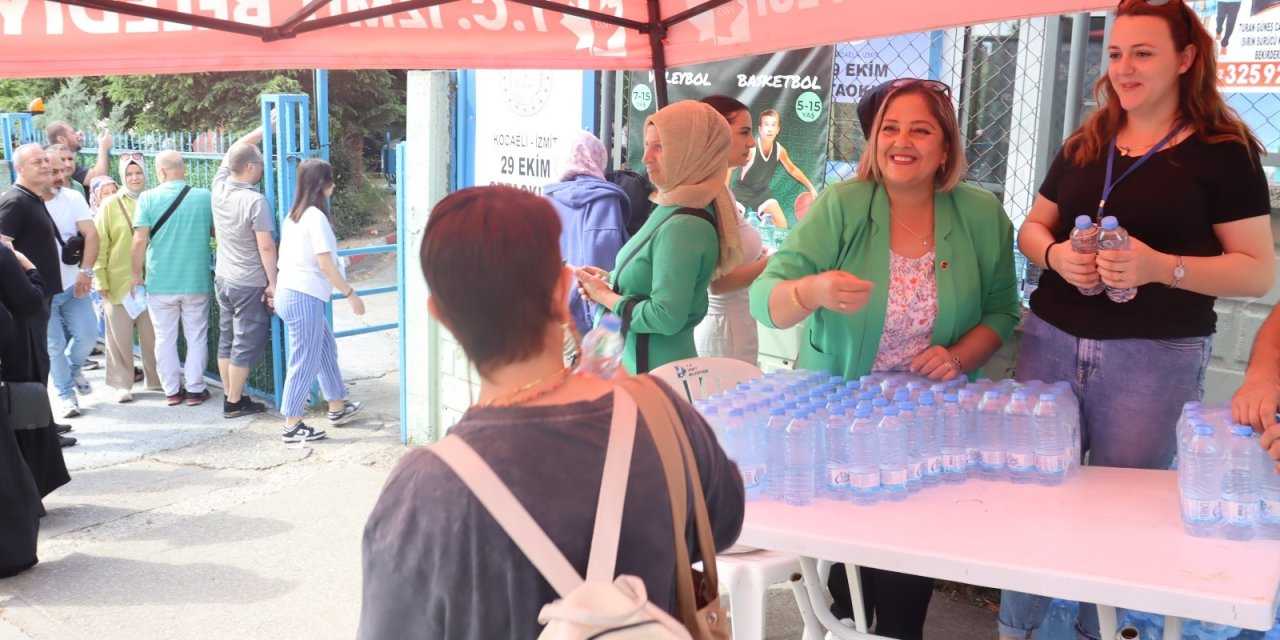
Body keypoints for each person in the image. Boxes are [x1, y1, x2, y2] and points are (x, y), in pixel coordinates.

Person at [999, 1, 1275, 639]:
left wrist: (1161, 267)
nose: (1124, 68)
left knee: (1119, 513)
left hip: (1152, 355)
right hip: (1050, 340)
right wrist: (1055, 254)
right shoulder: (1087, 140)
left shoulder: (1223, 153)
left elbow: (1256, 271)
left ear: (1185, 60)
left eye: (1143, 53)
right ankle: (1017, 630)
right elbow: (1032, 227)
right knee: (1033, 496)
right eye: (1117, 53)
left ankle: (1098, 632)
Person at [357, 185, 744, 639]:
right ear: (563, 292)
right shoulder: (660, 413)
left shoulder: (423, 490)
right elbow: (723, 523)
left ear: (440, 314)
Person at [748, 78, 1020, 639]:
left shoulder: (980, 213)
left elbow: (1001, 312)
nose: (902, 141)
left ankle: (886, 630)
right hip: (843, 411)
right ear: (873, 142)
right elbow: (766, 298)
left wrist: (959, 354)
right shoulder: (842, 204)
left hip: (929, 420)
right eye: (889, 129)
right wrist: (811, 291)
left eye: (921, 129)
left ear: (945, 147)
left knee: (905, 562)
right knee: (855, 560)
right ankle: (849, 624)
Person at [575, 100, 744, 374]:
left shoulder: (685, 224)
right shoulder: (675, 203)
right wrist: (610, 280)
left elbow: (665, 316)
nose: (646, 157)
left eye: (660, 147)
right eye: (648, 144)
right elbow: (652, 280)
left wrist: (606, 297)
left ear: (692, 153)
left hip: (651, 373)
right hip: (640, 366)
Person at [275, 158, 364, 444]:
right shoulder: (315, 217)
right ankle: (292, 424)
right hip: (304, 295)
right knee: (304, 360)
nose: (334, 184)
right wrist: (350, 294)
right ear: (321, 184)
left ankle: (337, 405)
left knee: (325, 347)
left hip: (292, 292)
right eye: (331, 179)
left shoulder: (295, 216)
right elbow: (325, 264)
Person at [0, 144, 75, 448]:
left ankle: (41, 426)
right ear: (20, 168)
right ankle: (32, 433)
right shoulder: (15, 201)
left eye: (46, 160)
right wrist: (26, 274)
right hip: (25, 299)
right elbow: (4, 246)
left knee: (40, 363)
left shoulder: (32, 198)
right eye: (37, 162)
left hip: (38, 294)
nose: (45, 165)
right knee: (31, 367)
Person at [131, 150, 216, 407]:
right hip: (196, 280)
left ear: (161, 171)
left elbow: (139, 240)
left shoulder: (147, 198)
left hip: (160, 282)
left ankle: (171, 391)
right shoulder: (204, 197)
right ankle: (195, 389)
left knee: (164, 338)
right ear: (184, 169)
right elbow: (215, 232)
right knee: (196, 336)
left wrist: (136, 273)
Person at [694, 95, 771, 365]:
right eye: (744, 132)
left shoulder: (718, 188)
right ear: (715, 134)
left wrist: (756, 259)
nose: (751, 142)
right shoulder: (708, 192)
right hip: (722, 331)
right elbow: (718, 282)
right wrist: (777, 262)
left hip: (730, 325)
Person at [212, 123, 275, 418]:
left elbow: (234, 148)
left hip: (223, 278)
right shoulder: (255, 201)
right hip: (248, 282)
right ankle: (234, 402)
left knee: (227, 338)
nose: (262, 169)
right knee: (245, 342)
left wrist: (265, 126)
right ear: (250, 167)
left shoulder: (219, 185)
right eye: (260, 164)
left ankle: (230, 394)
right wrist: (273, 282)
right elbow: (265, 247)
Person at [542, 130, 629, 337]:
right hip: (592, 320)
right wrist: (603, 323)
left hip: (552, 314)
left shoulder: (546, 200)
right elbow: (601, 260)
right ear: (598, 158)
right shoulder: (603, 200)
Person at [94, 156, 160, 403]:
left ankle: (155, 379)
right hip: (118, 279)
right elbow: (100, 241)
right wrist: (99, 277)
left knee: (151, 333)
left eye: (139, 173)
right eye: (129, 174)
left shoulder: (153, 200)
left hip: (151, 279)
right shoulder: (111, 204)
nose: (134, 178)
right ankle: (123, 384)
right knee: (119, 336)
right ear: (123, 176)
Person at [42, 145, 100, 419]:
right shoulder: (24, 202)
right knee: (53, 346)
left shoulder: (73, 198)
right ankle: (67, 396)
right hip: (42, 291)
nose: (57, 176)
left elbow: (91, 235)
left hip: (73, 284)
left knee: (88, 334)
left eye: (61, 171)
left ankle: (73, 369)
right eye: (52, 171)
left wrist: (86, 272)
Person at [731, 108, 819, 230]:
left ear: (778, 130)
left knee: (781, 225)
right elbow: (729, 168)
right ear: (760, 129)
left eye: (773, 125)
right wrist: (723, 192)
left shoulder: (779, 150)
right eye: (766, 124)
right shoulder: (751, 150)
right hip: (742, 190)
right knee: (729, 224)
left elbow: (792, 169)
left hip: (762, 192)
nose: (770, 128)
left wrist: (811, 187)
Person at [45, 120, 112, 189]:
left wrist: (76, 142)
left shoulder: (51, 156)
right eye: (72, 133)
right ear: (62, 139)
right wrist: (103, 147)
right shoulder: (62, 165)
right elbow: (99, 177)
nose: (77, 135)